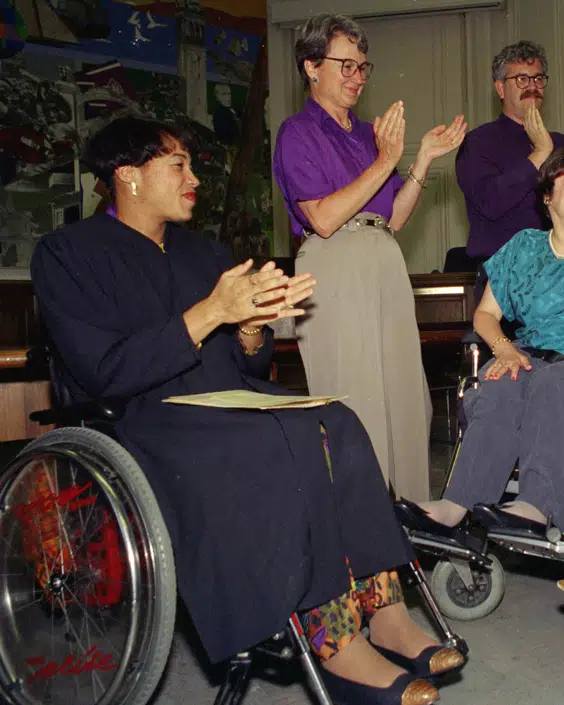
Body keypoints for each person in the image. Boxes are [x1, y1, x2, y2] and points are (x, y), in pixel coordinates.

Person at [31, 116, 464, 705]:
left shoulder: (204, 252)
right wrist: (212, 312)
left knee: (334, 417)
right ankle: (336, 642)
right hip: (145, 416)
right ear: (128, 176)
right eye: (178, 166)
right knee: (276, 441)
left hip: (226, 401)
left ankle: (384, 607)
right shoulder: (69, 254)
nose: (194, 181)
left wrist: (255, 328)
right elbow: (99, 374)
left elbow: (247, 368)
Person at [402, 145, 564, 534]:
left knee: (551, 382)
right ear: (547, 196)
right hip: (527, 356)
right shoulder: (523, 247)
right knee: (499, 384)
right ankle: (456, 504)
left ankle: (538, 506)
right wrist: (503, 348)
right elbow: (485, 314)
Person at [272, 14, 467, 502]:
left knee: (407, 402)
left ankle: (409, 525)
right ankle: (363, 542)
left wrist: (418, 160)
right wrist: (386, 161)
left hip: (383, 259)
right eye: (346, 65)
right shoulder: (297, 133)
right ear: (311, 67)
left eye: (363, 67)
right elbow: (322, 218)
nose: (358, 76)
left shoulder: (366, 135)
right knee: (356, 404)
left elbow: (394, 217)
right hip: (335, 266)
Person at [455, 40, 564, 281]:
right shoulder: (478, 142)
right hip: (504, 276)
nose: (533, 86)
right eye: (521, 79)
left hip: (561, 272)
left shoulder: (560, 142)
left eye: (538, 79)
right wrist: (540, 153)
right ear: (500, 89)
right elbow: (489, 203)